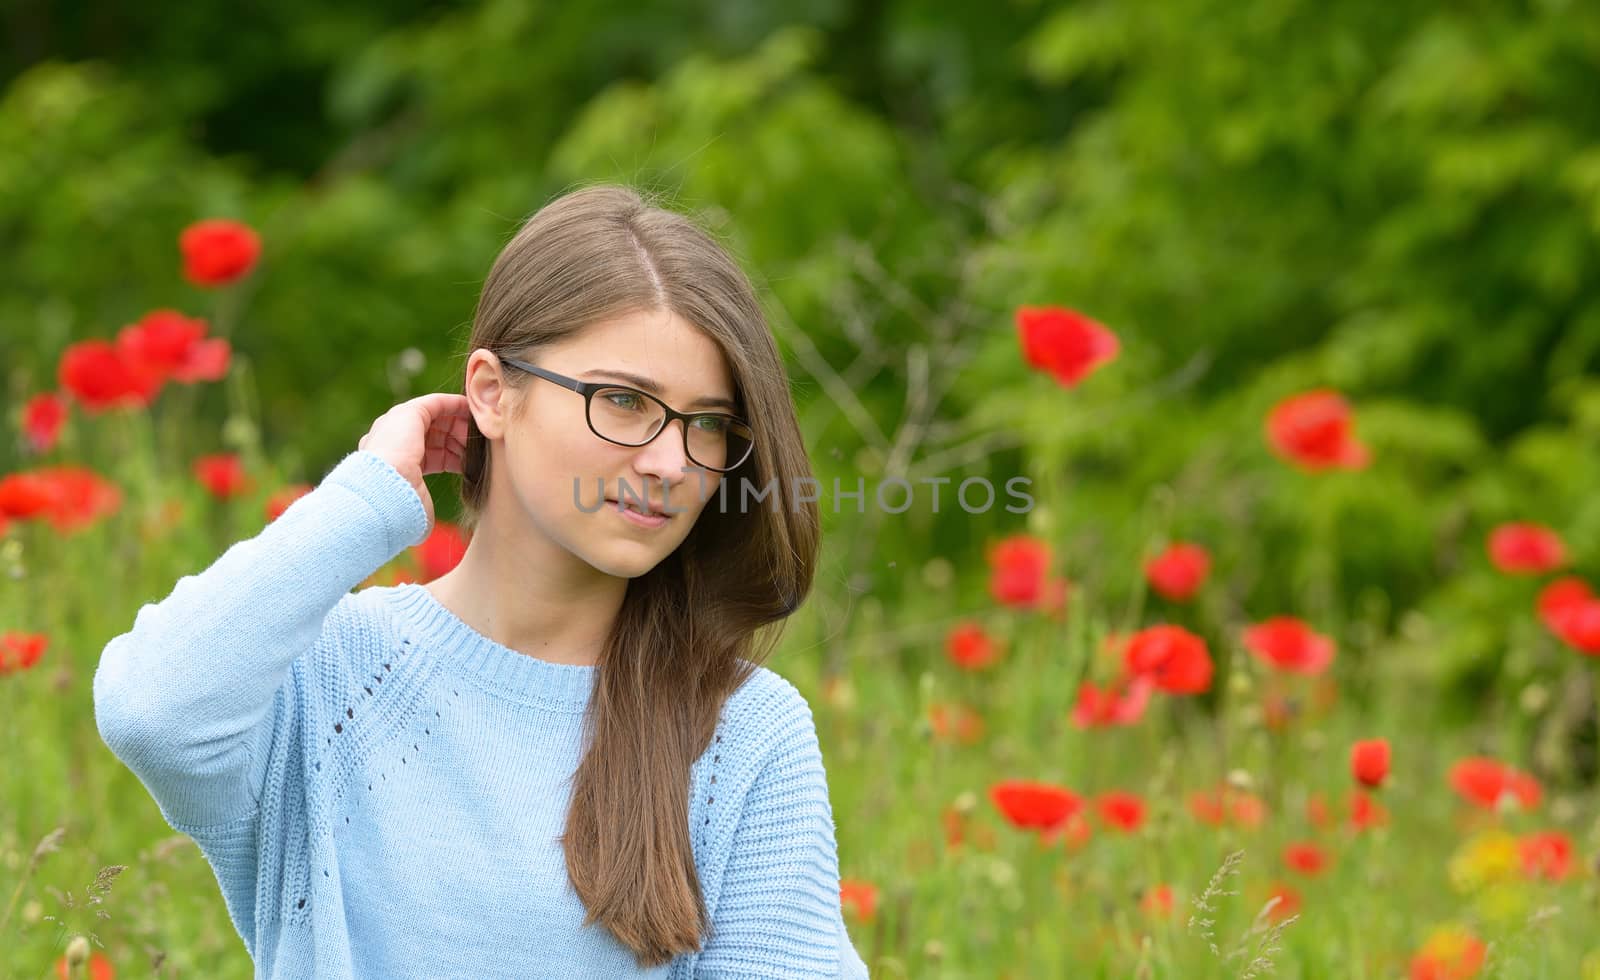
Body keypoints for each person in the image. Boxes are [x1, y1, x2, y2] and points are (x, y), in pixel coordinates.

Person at [93, 184, 870, 978]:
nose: (671, 462)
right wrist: (366, 499)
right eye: (627, 402)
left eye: (707, 423)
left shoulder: (741, 730)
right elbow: (153, 710)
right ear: (493, 393)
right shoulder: (328, 679)